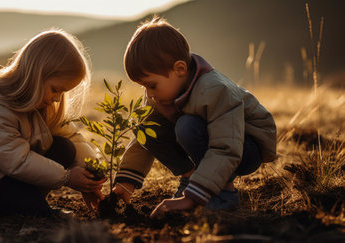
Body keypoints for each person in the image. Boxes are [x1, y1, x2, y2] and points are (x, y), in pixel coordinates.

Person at [112, 17, 277, 218]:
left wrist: (192, 198)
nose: (149, 93)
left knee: (187, 126)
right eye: (144, 87)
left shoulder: (215, 90)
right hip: (217, 144)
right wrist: (126, 181)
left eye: (152, 85)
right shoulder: (161, 96)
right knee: (146, 125)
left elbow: (226, 146)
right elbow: (146, 136)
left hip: (244, 148)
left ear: (180, 69)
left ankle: (224, 193)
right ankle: (191, 179)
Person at [0, 29, 105, 217]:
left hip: (0, 169)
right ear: (36, 75)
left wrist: (91, 174)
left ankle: (24, 200)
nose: (57, 99)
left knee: (65, 147)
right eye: (55, 89)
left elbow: (72, 136)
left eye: (62, 93)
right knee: (33, 209)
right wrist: (66, 177)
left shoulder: (41, 103)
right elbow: (17, 162)